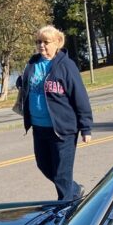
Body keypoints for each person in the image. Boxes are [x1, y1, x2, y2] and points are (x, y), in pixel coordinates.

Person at [15, 25, 93, 201]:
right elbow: (25, 82)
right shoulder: (32, 64)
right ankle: (74, 190)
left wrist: (86, 127)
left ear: (57, 42)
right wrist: (21, 83)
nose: (41, 45)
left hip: (62, 129)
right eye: (38, 42)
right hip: (39, 128)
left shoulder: (66, 65)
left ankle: (65, 208)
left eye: (46, 42)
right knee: (44, 165)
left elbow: (80, 96)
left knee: (61, 174)